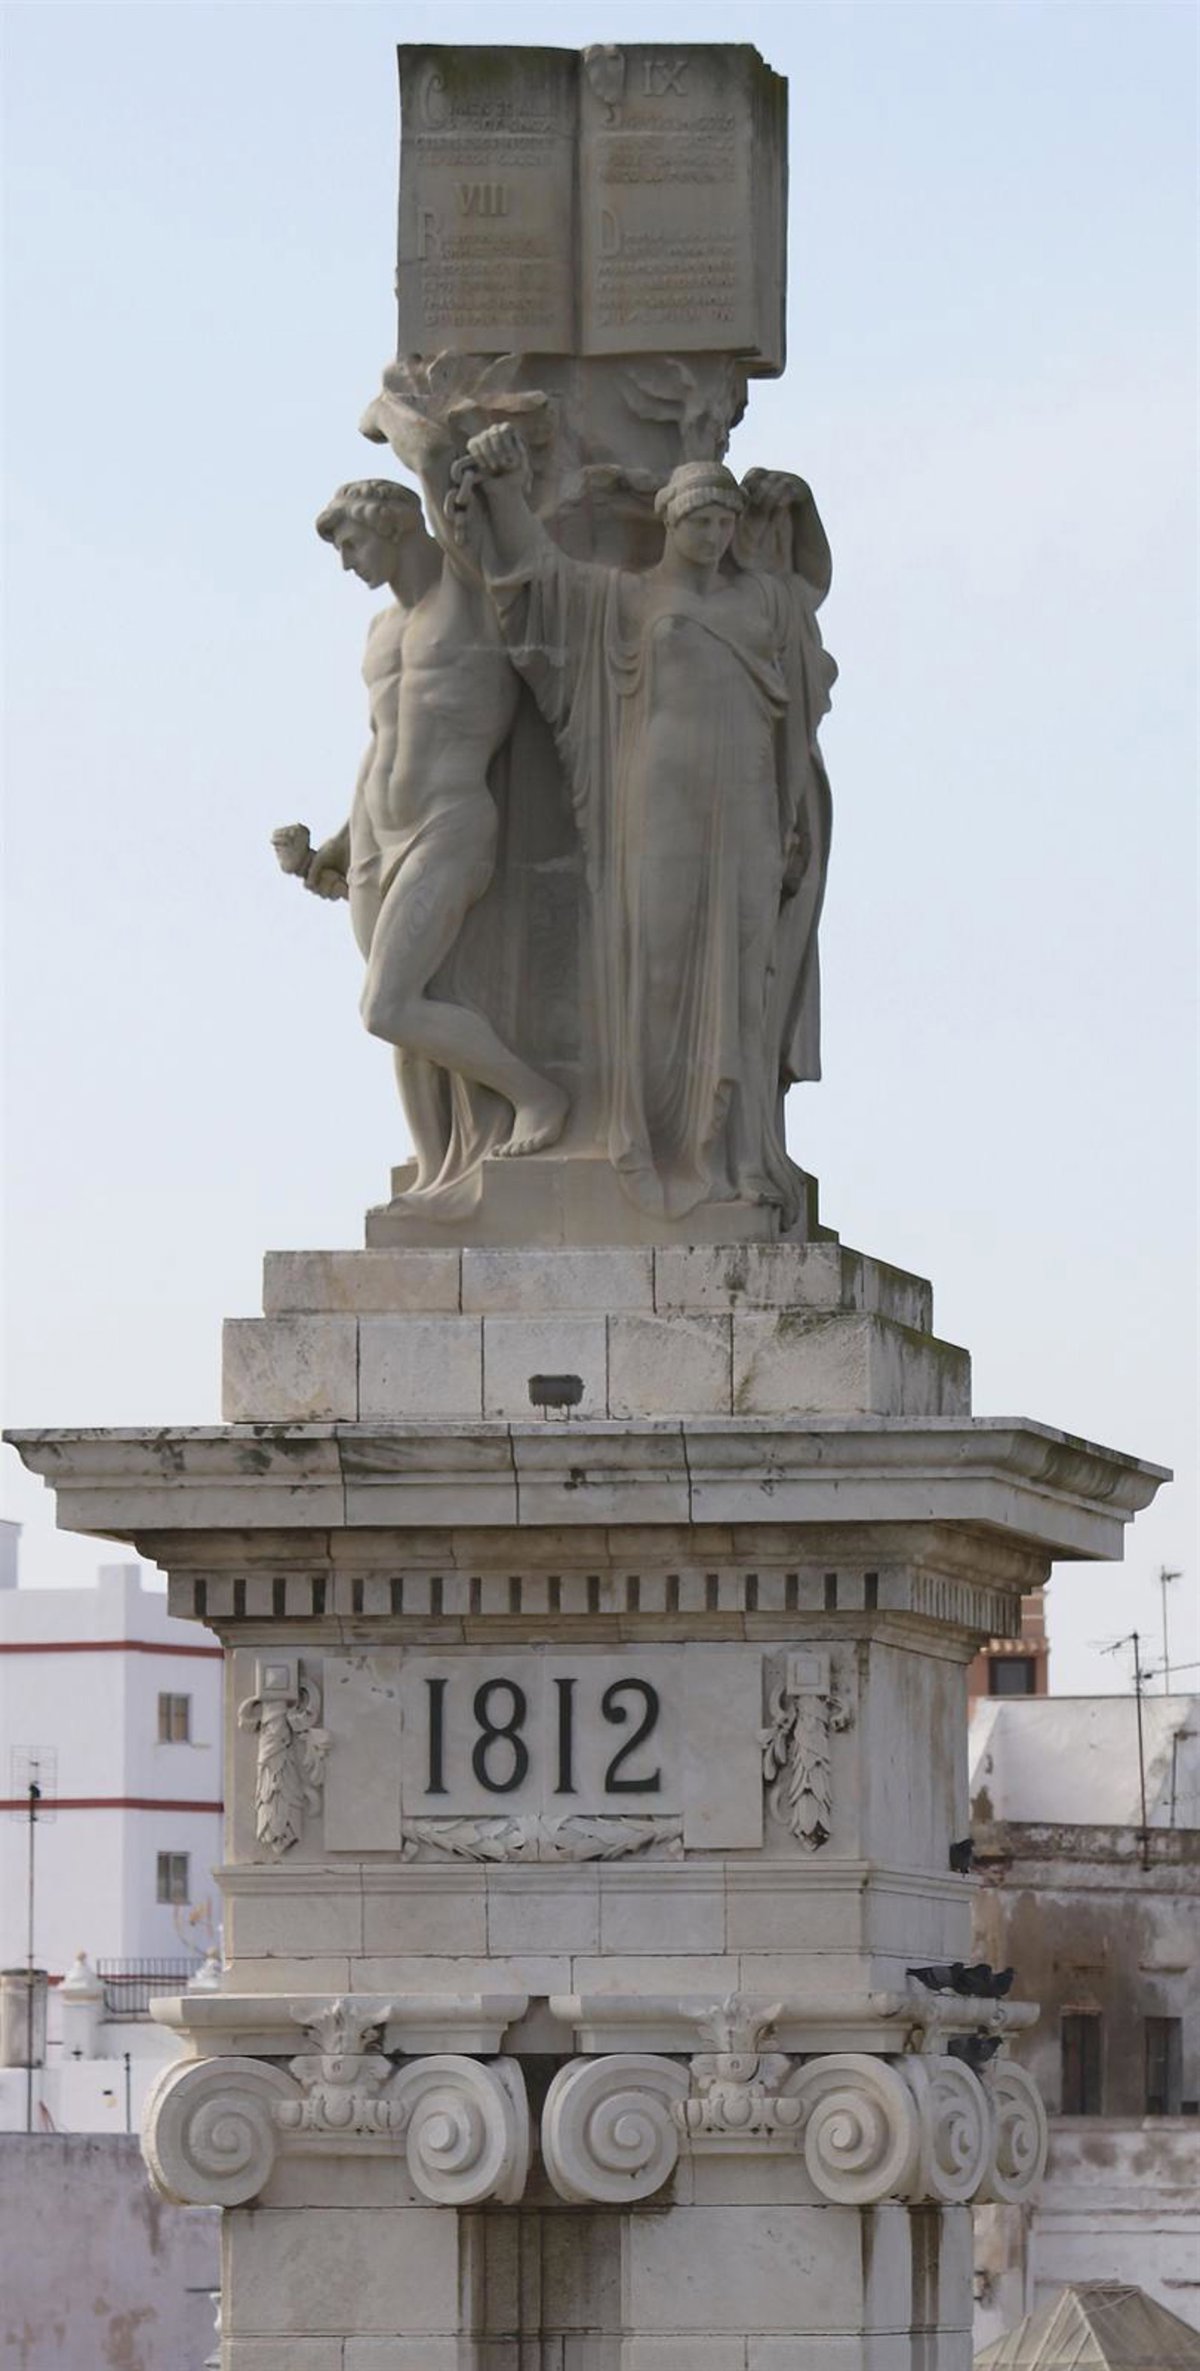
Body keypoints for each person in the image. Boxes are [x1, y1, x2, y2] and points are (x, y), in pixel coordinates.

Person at [449, 432, 835, 1223]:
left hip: (749, 806)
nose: (714, 535)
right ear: (669, 520)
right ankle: (658, 1139)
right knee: (656, 966)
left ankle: (735, 1153)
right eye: (699, 521)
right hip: (660, 804)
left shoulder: (762, 602)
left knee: (745, 977)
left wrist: (800, 504)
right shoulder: (626, 601)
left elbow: (810, 590)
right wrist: (504, 490)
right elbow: (541, 583)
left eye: (724, 522)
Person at [274, 477, 567, 1185]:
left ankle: (538, 1095)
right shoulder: (382, 630)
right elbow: (383, 741)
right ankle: (439, 1174)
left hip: (447, 822)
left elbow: (444, 476)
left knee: (387, 1006)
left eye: (351, 543)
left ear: (395, 525)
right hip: (377, 838)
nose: (346, 562)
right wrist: (341, 841)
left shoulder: (469, 596)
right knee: (406, 1021)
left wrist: (394, 425)